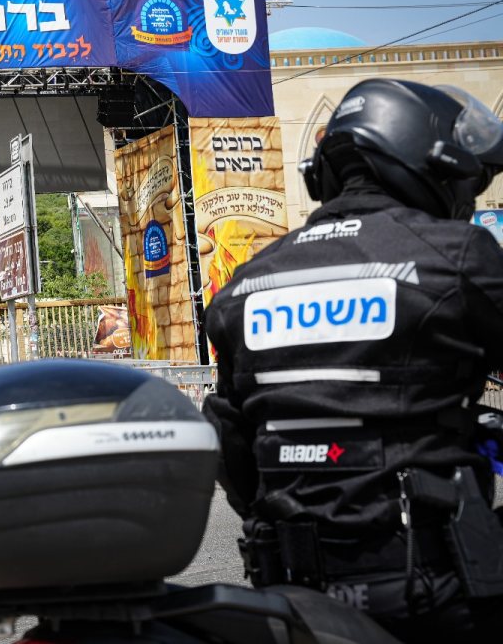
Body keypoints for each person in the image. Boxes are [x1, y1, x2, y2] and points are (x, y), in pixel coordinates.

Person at [203, 80, 503, 642]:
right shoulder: (458, 257)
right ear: (429, 165)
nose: (469, 199)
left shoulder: (246, 284)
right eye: (469, 183)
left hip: (292, 597)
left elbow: (230, 439)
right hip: (438, 589)